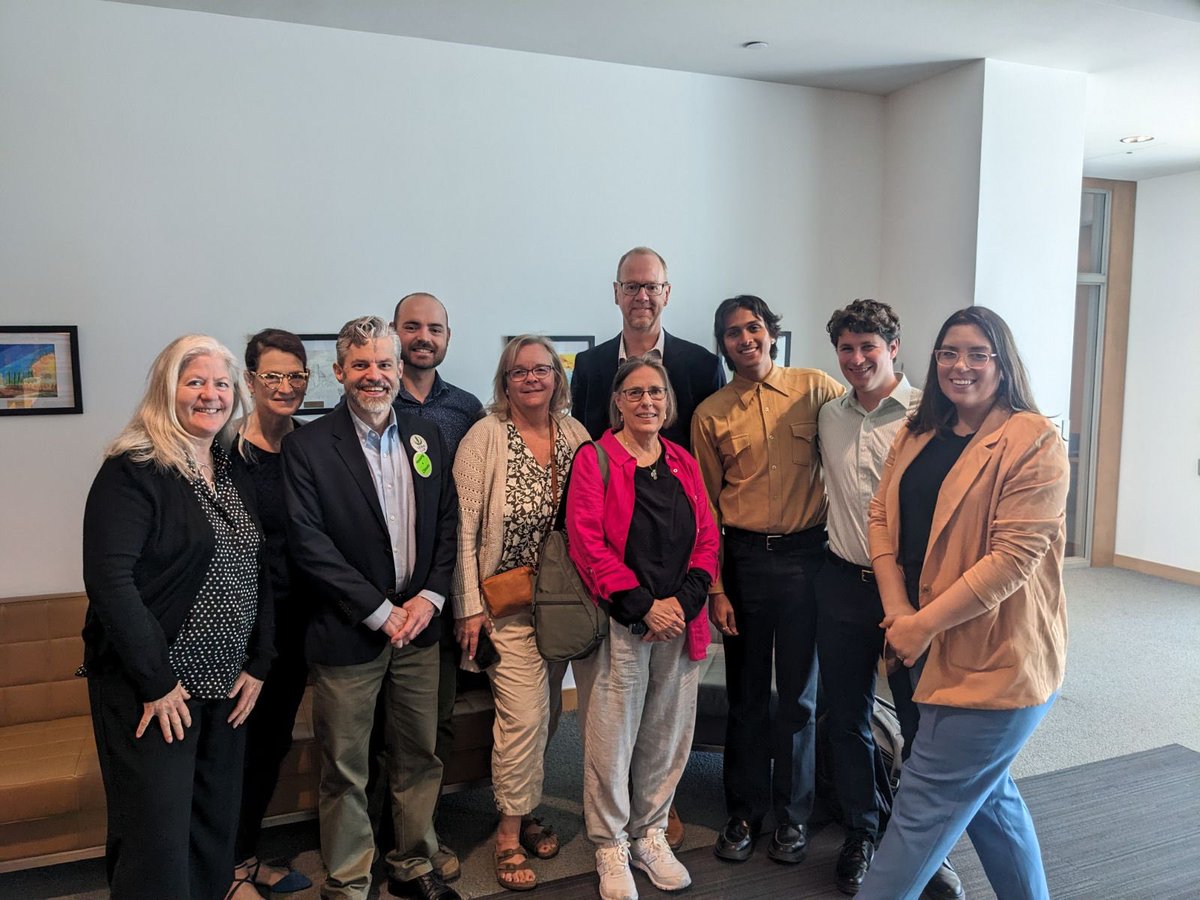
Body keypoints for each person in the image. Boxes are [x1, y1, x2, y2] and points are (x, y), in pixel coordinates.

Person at [857, 306, 1069, 900]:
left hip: (995, 657)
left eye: (978, 353)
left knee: (921, 811)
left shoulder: (1034, 440)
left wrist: (920, 625)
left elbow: (1012, 559)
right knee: (989, 801)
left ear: (1003, 363)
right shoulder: (921, 427)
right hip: (924, 639)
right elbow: (882, 516)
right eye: (949, 352)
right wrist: (900, 611)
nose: (961, 365)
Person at [82, 335, 272, 900]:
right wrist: (158, 682)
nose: (210, 395)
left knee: (213, 828)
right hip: (155, 690)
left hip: (226, 682)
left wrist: (260, 661)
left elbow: (257, 569)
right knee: (155, 839)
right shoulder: (133, 467)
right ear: (168, 390)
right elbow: (110, 583)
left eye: (220, 384)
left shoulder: (230, 466)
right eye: (195, 382)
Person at [282, 316, 460, 900]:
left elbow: (445, 525)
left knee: (418, 756)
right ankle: (349, 881)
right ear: (338, 372)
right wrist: (382, 612)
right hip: (348, 632)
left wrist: (429, 599)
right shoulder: (307, 445)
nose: (375, 375)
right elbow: (309, 544)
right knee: (346, 769)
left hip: (420, 629)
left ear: (399, 367)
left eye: (384, 363)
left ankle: (414, 864)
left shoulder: (425, 435)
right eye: (360, 365)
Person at [814, 301, 962, 898]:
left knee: (921, 720)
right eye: (846, 349)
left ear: (893, 347)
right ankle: (862, 831)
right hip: (844, 583)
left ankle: (926, 843)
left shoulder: (933, 414)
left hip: (913, 593)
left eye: (867, 347)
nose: (856, 360)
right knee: (845, 716)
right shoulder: (829, 414)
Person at [691, 296, 844, 865]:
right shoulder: (711, 413)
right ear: (722, 343)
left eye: (753, 327)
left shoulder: (817, 389)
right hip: (745, 563)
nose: (745, 339)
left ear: (772, 333)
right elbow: (706, 508)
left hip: (809, 560)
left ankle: (793, 816)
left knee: (799, 699)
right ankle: (744, 813)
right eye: (732, 332)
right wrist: (716, 588)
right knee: (747, 697)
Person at [567, 356, 720, 900]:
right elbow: (587, 543)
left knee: (667, 733)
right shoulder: (596, 459)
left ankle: (651, 832)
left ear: (668, 400)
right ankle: (610, 845)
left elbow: (707, 537)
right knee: (611, 738)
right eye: (635, 393)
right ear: (618, 402)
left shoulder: (681, 459)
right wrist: (641, 605)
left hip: (680, 621)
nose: (647, 402)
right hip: (622, 622)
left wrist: (682, 602)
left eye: (656, 392)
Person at [451, 335, 590, 891]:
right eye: (519, 371)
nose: (532, 379)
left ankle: (524, 805)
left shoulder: (576, 435)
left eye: (542, 369)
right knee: (526, 716)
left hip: (561, 604)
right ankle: (509, 834)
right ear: (503, 382)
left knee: (550, 712)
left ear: (558, 377)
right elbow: (461, 530)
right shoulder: (484, 437)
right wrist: (467, 607)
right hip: (501, 607)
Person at [390, 291, 484, 882]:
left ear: (448, 336)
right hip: (390, 591)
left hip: (454, 588)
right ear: (396, 331)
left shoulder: (467, 408)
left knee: (436, 720)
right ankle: (388, 834)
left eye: (435, 328)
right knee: (387, 724)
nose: (424, 337)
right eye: (412, 327)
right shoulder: (374, 396)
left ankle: (424, 828)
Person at [226, 329, 315, 899]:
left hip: (297, 624)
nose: (285, 387)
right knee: (234, 747)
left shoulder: (312, 447)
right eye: (272, 376)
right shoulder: (224, 450)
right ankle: (228, 868)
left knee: (271, 745)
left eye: (296, 376)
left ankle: (244, 855)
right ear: (251, 381)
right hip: (239, 628)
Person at [571, 246, 725, 450]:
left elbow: (715, 449)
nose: (642, 297)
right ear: (617, 293)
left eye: (652, 287)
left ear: (666, 294)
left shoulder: (705, 367)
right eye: (632, 286)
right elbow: (583, 444)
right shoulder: (587, 367)